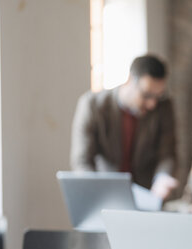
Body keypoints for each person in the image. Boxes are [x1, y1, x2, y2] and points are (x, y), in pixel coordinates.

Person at [70, 54, 178, 199]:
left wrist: (162, 178)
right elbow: (82, 160)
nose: (152, 104)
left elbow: (167, 153)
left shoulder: (164, 106)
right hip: (105, 193)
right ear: (129, 80)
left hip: (147, 194)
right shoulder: (93, 105)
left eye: (158, 96)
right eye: (146, 95)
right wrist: (94, 191)